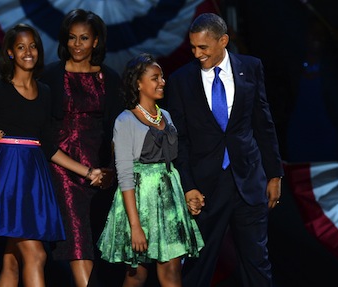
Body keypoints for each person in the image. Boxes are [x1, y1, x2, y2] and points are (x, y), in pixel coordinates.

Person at [0, 23, 104, 287]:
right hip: (6, 179)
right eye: (21, 47)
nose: (29, 52)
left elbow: (48, 146)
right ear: (11, 53)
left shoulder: (45, 92)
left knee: (12, 261)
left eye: (33, 46)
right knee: (36, 254)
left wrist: (87, 171)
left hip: (34, 181)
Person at [0, 9, 123, 287]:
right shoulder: (51, 76)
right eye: (72, 38)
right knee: (77, 239)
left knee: (13, 256)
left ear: (96, 41)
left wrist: (109, 169)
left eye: (84, 38)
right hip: (57, 169)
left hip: (98, 175)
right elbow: (27, 114)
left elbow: (117, 129)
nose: (77, 44)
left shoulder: (110, 79)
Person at [164, 12, 285, 287]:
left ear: (223, 41)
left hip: (248, 180)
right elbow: (179, 139)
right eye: (193, 47)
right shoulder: (181, 80)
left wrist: (274, 175)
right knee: (198, 265)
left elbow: (263, 123)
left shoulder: (251, 68)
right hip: (205, 188)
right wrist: (188, 186)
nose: (197, 54)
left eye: (203, 47)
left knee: (258, 263)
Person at [97, 53, 204, 287]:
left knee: (172, 271)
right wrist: (135, 227)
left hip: (169, 204)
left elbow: (175, 161)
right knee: (137, 274)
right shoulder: (125, 121)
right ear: (138, 83)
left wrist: (186, 193)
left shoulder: (165, 115)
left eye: (162, 77)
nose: (162, 82)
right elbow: (124, 175)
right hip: (141, 204)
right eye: (155, 78)